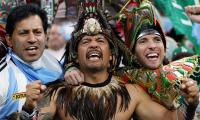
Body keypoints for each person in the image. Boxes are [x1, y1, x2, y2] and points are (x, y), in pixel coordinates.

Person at [21, 3, 198, 119]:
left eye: (100, 41)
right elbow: (35, 113)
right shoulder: (57, 93)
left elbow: (169, 118)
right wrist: (28, 108)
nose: (93, 45)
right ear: (75, 54)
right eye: (85, 41)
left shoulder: (132, 92)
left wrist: (189, 103)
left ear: (112, 54)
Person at [0, 4, 63, 118]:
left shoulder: (56, 66)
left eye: (37, 32)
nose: (32, 39)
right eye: (24, 33)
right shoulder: (3, 77)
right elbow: (15, 96)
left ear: (45, 36)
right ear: (9, 40)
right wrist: (25, 104)